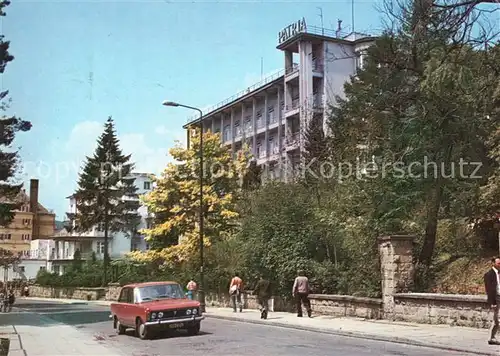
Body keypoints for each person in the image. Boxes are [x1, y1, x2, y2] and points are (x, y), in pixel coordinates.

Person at [484, 256, 500, 345]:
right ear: (493, 263)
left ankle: (492, 338)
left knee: (496, 319)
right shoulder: (489, 275)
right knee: (497, 319)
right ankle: (492, 337)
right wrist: (492, 302)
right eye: (498, 263)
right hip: (495, 299)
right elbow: (489, 290)